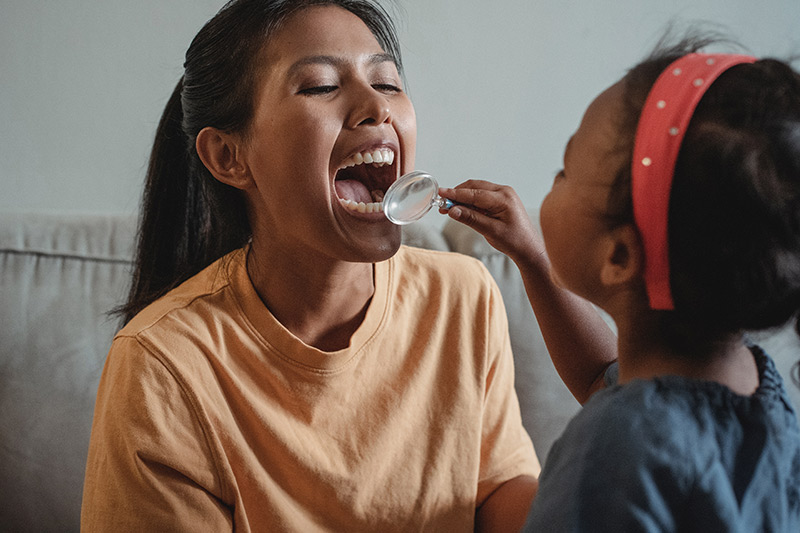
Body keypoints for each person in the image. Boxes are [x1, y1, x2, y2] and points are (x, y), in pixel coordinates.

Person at [78, 0, 598, 530]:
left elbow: (494, 490)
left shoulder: (463, 295)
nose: (377, 107)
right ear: (229, 157)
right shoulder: (162, 366)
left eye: (388, 83)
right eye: (321, 86)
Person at [440, 35, 800, 530]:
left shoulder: (611, 452)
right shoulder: (758, 392)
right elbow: (603, 379)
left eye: (562, 171)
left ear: (620, 255)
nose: (552, 183)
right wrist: (533, 258)